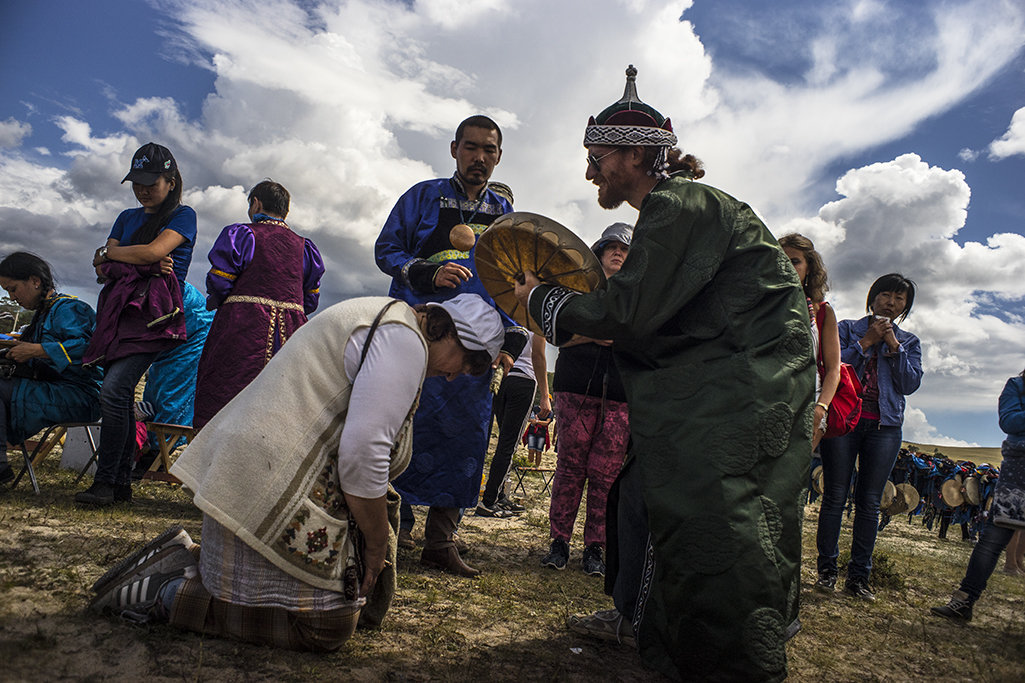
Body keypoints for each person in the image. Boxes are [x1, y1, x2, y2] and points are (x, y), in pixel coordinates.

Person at [513, 66, 814, 681]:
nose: (590, 169)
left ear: (631, 154)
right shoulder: (679, 208)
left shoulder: (680, 205)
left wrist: (537, 300)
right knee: (653, 499)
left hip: (735, 392)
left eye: (597, 155)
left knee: (717, 519)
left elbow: (632, 310)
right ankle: (655, 628)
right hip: (724, 386)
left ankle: (729, 661)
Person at [89, 293, 504, 650]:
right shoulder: (403, 341)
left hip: (249, 476)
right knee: (327, 626)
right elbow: (363, 456)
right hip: (258, 480)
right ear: (449, 332)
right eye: (463, 364)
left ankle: (184, 562)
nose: (452, 375)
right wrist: (377, 544)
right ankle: (169, 593)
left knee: (341, 603)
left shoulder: (389, 320)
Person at [375, 115, 528, 577]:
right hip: (418, 342)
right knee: (402, 428)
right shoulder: (421, 197)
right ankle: (390, 531)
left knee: (466, 437)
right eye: (471, 147)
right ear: (454, 148)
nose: (479, 157)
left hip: (475, 354)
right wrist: (426, 273)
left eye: (489, 150)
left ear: (498, 156)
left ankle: (441, 540)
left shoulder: (503, 214)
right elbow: (386, 250)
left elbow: (513, 282)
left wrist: (511, 340)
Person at [75, 142, 196, 506]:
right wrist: (124, 259)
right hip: (116, 315)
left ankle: (105, 481)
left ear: (171, 181)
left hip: (153, 317)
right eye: (136, 182)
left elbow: (152, 252)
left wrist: (112, 253)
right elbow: (101, 268)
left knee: (113, 391)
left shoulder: (183, 215)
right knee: (120, 396)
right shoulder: (127, 217)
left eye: (151, 181)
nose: (143, 189)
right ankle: (121, 484)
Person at [815, 273, 923, 600]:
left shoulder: (910, 342)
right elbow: (833, 366)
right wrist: (866, 342)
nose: (892, 302)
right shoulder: (847, 328)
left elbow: (909, 384)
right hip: (843, 421)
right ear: (873, 297)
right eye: (886, 295)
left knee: (870, 502)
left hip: (885, 427)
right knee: (834, 495)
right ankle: (827, 571)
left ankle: (859, 577)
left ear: (906, 305)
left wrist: (894, 347)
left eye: (900, 298)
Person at [192, 180, 324, 430]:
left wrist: (225, 302)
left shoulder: (243, 235)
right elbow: (310, 300)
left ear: (256, 203)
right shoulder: (306, 248)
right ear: (285, 210)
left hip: (244, 325)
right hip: (291, 333)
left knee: (228, 390)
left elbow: (220, 281)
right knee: (281, 396)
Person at [540, 223, 633, 578]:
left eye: (625, 249)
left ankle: (596, 547)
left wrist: (620, 339)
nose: (618, 252)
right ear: (598, 251)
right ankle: (558, 542)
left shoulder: (639, 295)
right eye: (611, 246)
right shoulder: (576, 288)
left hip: (621, 394)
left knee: (606, 473)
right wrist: (596, 335)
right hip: (575, 386)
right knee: (570, 467)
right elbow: (555, 335)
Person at [0, 253, 103, 484]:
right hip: (54, 390)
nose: (11, 296)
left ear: (35, 281)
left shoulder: (69, 309)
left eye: (13, 289)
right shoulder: (44, 314)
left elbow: (87, 347)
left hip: (81, 395)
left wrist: (36, 350)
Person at [931, 368, 1025, 620]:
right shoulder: (1017, 385)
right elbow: (1009, 421)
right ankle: (964, 601)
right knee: (992, 540)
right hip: (1019, 474)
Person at [476, 333, 550, 517]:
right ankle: (489, 501)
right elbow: (538, 356)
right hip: (524, 380)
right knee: (508, 445)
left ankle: (501, 496)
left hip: (503, 378)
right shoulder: (535, 322)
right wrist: (544, 394)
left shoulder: (510, 319)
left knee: (504, 441)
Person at [779, 233, 840, 450]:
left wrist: (820, 407)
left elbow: (834, 369)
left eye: (795, 261)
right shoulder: (760, 306)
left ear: (809, 268)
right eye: (781, 259)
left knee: (791, 477)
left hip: (808, 400)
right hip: (765, 397)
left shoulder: (823, 312)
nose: (787, 266)